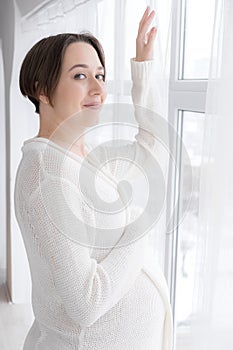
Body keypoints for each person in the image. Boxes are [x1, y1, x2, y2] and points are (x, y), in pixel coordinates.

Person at [14, 6, 173, 350]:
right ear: (41, 88)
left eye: (100, 75)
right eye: (80, 76)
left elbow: (153, 150)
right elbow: (87, 302)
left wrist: (143, 69)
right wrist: (141, 224)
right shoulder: (47, 175)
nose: (98, 89)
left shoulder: (80, 157)